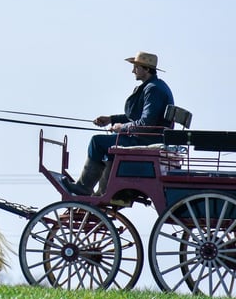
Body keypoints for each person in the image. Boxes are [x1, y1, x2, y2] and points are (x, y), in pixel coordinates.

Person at [62, 51, 174, 196]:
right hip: (149, 137)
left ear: (146, 69)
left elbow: (146, 123)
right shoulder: (155, 86)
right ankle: (104, 191)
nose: (133, 70)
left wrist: (122, 128)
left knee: (97, 142)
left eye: (136, 67)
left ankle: (84, 187)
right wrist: (111, 119)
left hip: (146, 139)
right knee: (107, 146)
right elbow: (139, 118)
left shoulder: (153, 89)